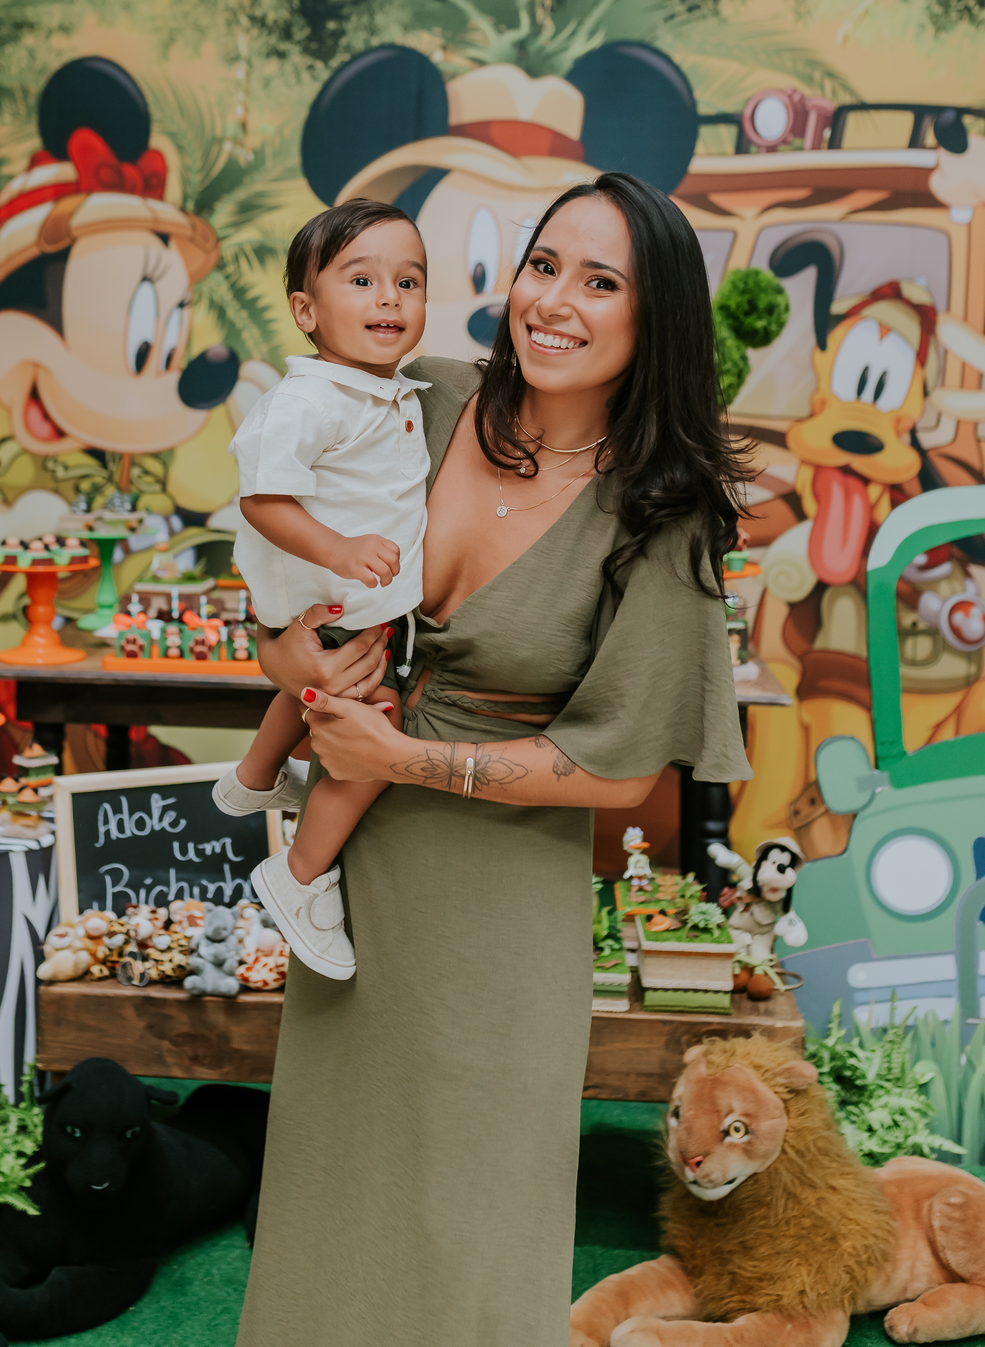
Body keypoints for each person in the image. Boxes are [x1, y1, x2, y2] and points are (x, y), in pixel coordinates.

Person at [235, 173, 753, 1347]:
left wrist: (407, 758)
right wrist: (286, 655)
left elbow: (621, 772)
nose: (555, 301)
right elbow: (278, 562)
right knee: (334, 1190)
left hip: (496, 903)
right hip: (352, 879)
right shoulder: (411, 398)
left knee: (475, 1215)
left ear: (651, 316)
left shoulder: (658, 517)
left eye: (601, 280)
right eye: (543, 265)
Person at [215, 198, 430, 979]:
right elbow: (263, 498)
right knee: (376, 729)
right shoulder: (309, 399)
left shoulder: (385, 391)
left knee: (316, 695)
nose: (389, 298)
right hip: (332, 600)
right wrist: (338, 547)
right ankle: (299, 875)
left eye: (409, 281)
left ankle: (254, 779)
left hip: (339, 608)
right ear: (306, 310)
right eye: (363, 279)